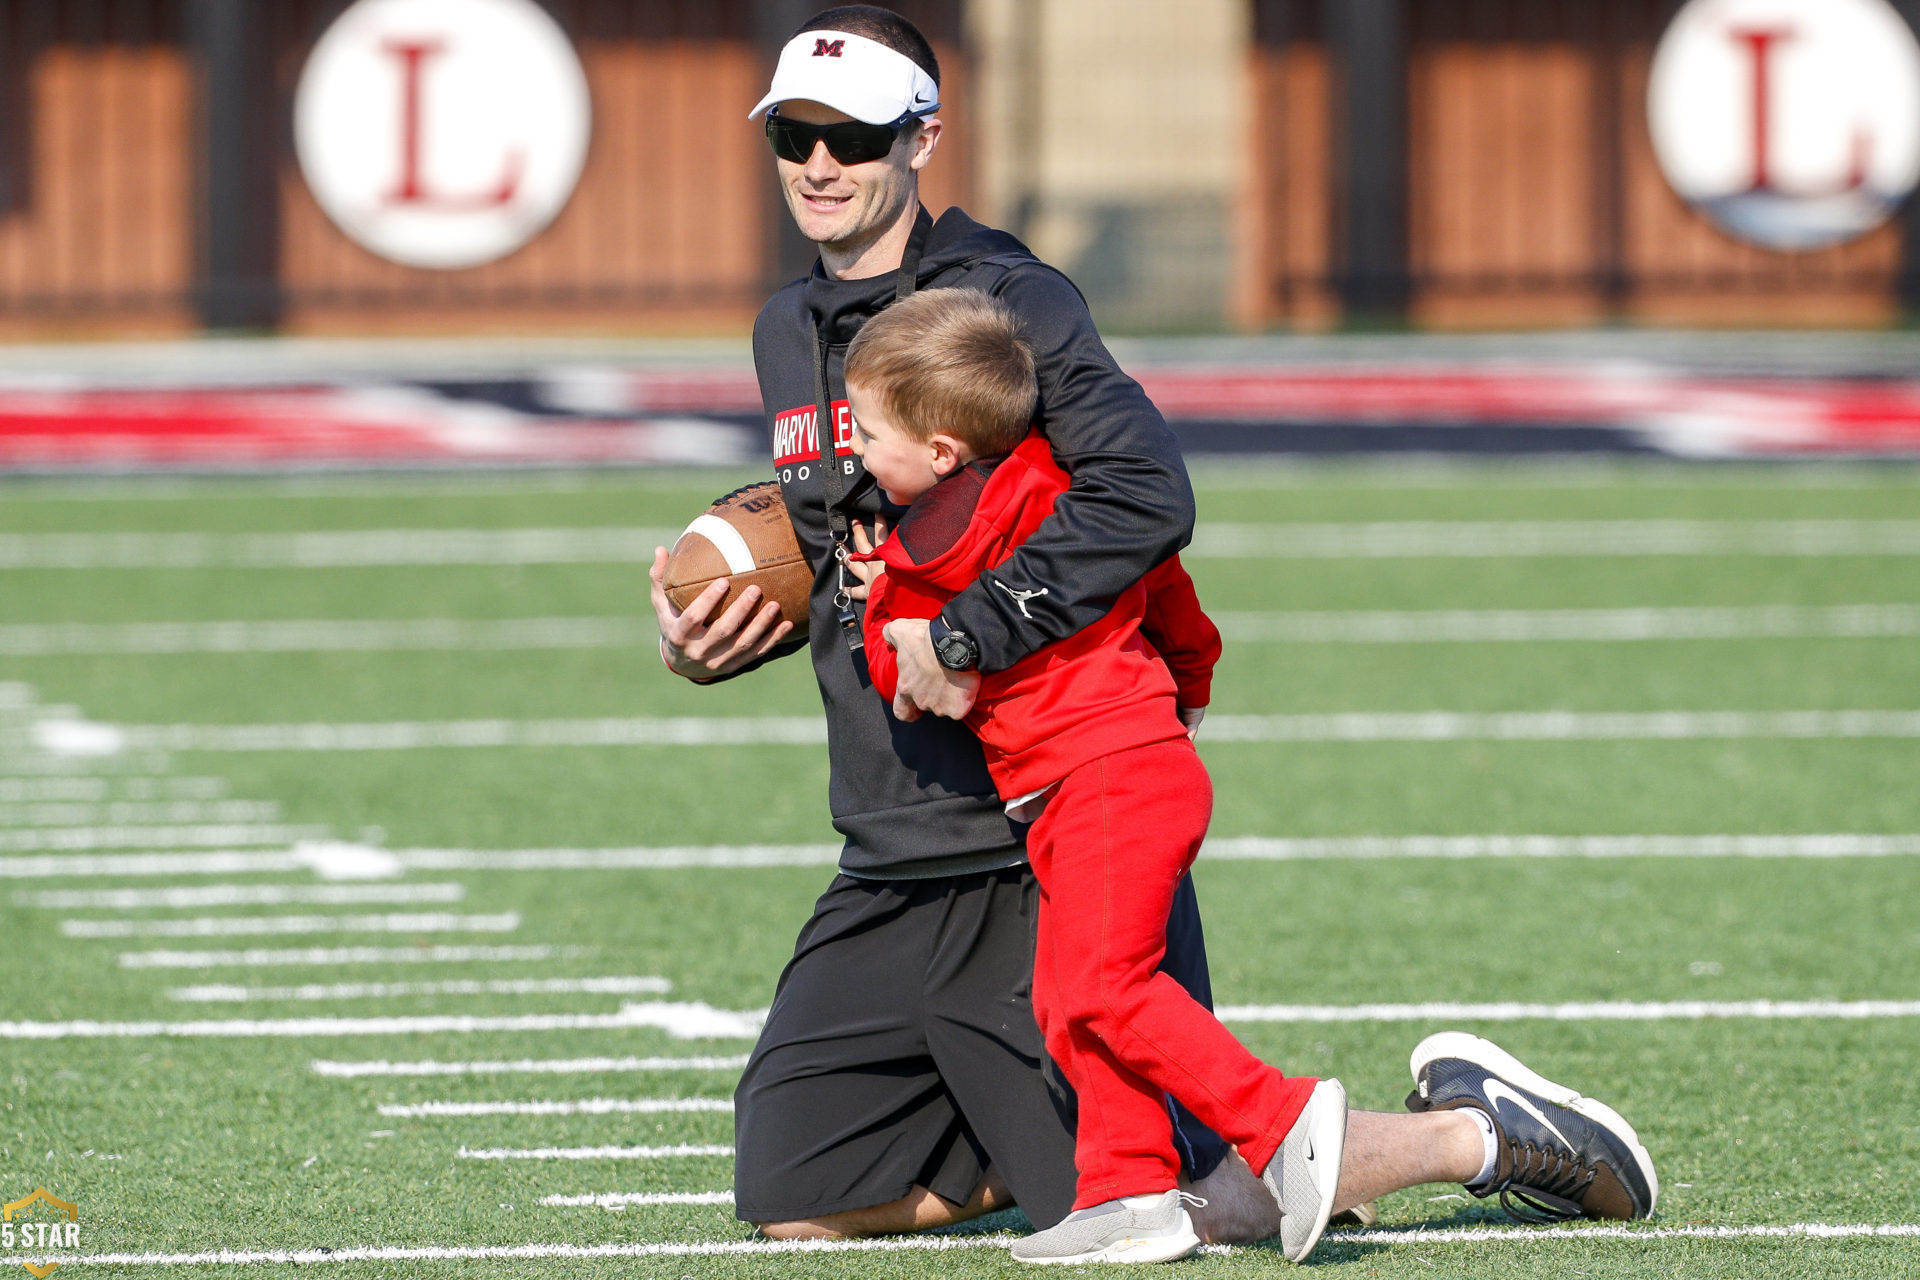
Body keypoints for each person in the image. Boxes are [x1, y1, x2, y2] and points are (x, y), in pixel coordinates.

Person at [647, 2, 1659, 1248]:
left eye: (852, 137)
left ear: (922, 137)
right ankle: (1028, 1154)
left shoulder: (1005, 300)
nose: (819, 163)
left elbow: (1144, 491)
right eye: (794, 134)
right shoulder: (781, 329)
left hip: (1045, 827)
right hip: (888, 838)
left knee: (1188, 1202)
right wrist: (714, 613)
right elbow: (843, 534)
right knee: (796, 1202)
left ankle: (1479, 1131)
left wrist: (964, 638)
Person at [839, 285, 1348, 1264]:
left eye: (868, 429)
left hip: (1102, 779)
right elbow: (1164, 584)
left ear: (941, 451)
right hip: (1132, 767)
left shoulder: (912, 560)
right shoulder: (1068, 492)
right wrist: (1192, 677)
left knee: (1106, 984)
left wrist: (885, 609)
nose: (856, 449)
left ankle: (1280, 1118)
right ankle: (1130, 1191)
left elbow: (901, 681)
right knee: (1073, 992)